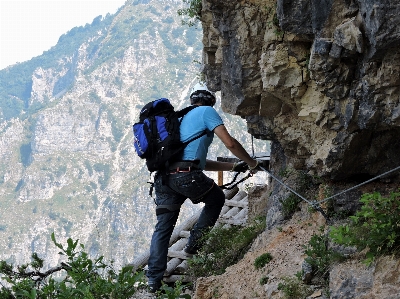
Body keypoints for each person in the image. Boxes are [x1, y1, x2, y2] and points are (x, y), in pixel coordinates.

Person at [146, 82, 260, 292]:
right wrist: (252, 163)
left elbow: (200, 162)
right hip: (185, 176)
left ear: (192, 102)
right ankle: (193, 245)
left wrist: (234, 166)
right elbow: (231, 143)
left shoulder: (178, 119)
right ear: (211, 104)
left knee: (163, 228)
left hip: (163, 179)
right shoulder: (207, 112)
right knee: (216, 198)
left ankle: (153, 279)